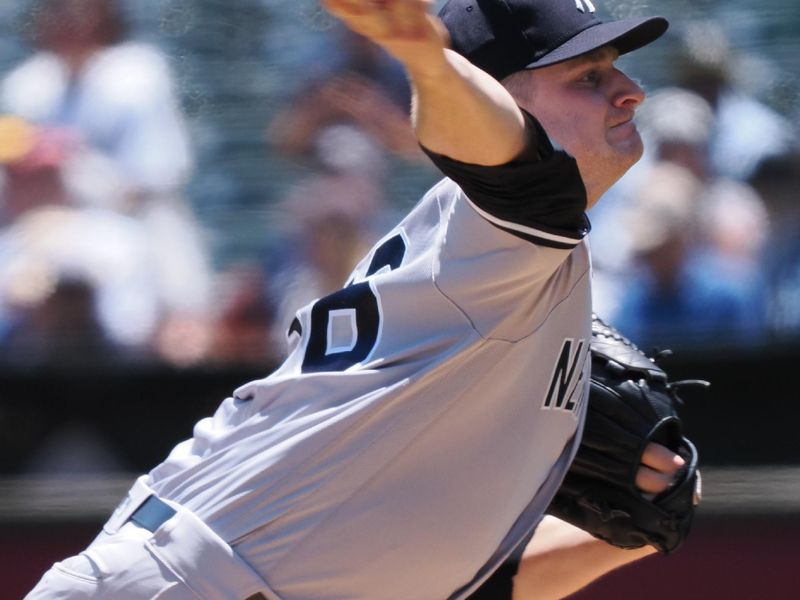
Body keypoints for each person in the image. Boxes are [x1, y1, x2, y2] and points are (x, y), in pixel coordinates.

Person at [26, 1, 684, 599]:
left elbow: (480, 585)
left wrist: (640, 525)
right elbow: (496, 152)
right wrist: (430, 63)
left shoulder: (513, 264)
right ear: (507, 103)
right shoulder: (507, 235)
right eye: (587, 78)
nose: (631, 92)